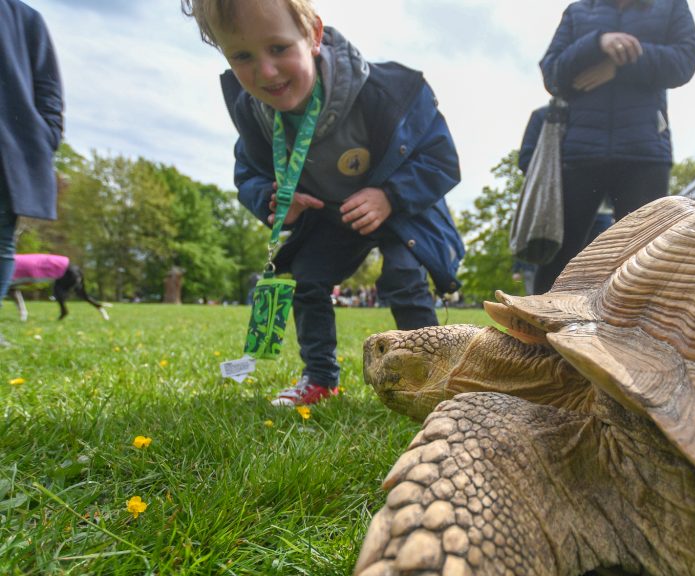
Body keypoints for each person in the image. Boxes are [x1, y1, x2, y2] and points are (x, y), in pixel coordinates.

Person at [181, 0, 464, 406]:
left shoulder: (387, 93)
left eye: (278, 48)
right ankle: (320, 378)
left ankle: (432, 379)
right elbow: (248, 175)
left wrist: (391, 195)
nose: (266, 71)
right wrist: (272, 200)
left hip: (402, 213)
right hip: (331, 218)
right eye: (242, 55)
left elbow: (441, 159)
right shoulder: (254, 117)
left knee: (403, 276)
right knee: (307, 279)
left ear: (313, 35)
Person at [535, 0, 695, 293]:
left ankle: (641, 338)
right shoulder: (578, 11)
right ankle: (532, 336)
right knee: (559, 257)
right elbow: (552, 72)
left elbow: (685, 60)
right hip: (580, 152)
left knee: (647, 258)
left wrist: (620, 66)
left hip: (644, 151)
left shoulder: (670, 5)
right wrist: (598, 42)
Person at [0, 0, 64, 347]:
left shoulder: (23, 18)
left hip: (9, 146)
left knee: (1, 240)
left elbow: (48, 87)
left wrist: (46, 134)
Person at [516, 104, 613, 294]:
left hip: (601, 212)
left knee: (595, 275)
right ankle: (539, 318)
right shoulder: (543, 116)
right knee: (553, 269)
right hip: (556, 212)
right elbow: (527, 160)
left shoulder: (608, 111)